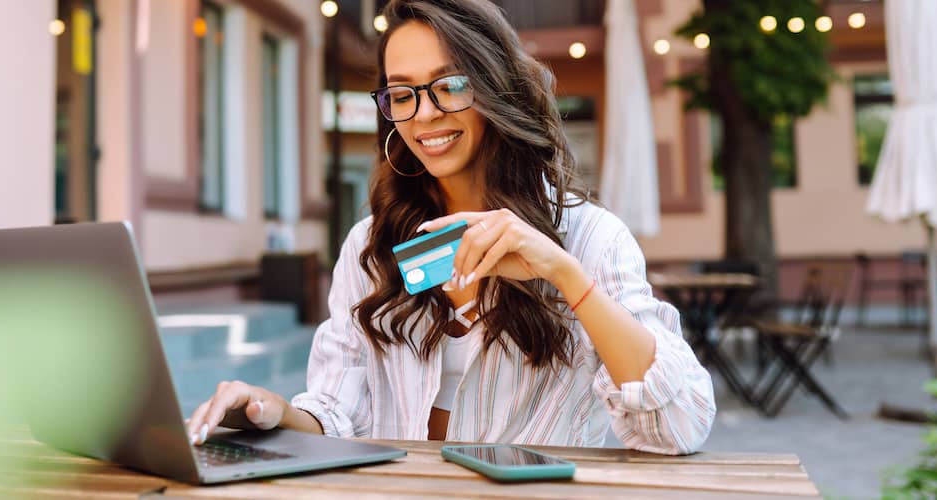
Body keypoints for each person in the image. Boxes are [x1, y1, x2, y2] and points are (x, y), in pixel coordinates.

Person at [187, 0, 715, 455]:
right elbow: (337, 416)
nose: (424, 115)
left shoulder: (590, 239)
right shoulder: (371, 248)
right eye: (402, 93)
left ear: (494, 87)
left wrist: (565, 276)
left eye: (449, 85)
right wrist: (274, 412)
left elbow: (678, 428)